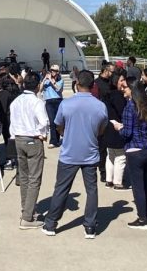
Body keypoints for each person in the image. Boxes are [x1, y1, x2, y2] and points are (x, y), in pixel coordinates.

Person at [43, 70, 109, 239]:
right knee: (92, 190)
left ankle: (51, 223)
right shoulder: (100, 106)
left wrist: (66, 132)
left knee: (61, 189)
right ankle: (90, 226)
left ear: (77, 84)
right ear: (93, 85)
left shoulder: (66, 104)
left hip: (69, 153)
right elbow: (102, 129)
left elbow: (58, 125)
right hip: (90, 152)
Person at [9, 71, 50, 229]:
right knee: (34, 179)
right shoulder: (36, 101)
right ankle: (27, 217)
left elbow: (12, 121)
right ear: (38, 86)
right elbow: (44, 121)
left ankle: (26, 209)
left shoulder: (16, 101)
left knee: (24, 177)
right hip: (32, 139)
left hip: (18, 139)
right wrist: (42, 134)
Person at [118, 81, 147, 229]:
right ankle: (146, 214)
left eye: (125, 87)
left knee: (138, 187)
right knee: (146, 185)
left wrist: (119, 128)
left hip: (136, 149)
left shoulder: (130, 107)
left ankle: (142, 218)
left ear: (132, 90)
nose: (123, 89)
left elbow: (127, 133)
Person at [101, 72, 129, 189]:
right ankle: (118, 182)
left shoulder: (107, 95)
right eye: (121, 80)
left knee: (110, 155)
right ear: (115, 81)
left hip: (108, 127)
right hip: (117, 127)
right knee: (120, 157)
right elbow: (122, 112)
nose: (123, 83)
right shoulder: (118, 96)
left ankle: (109, 180)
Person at [41, 66, 64, 147]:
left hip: (58, 101)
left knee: (58, 121)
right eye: (51, 70)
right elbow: (40, 89)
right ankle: (53, 141)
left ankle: (58, 139)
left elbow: (58, 89)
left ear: (57, 72)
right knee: (52, 121)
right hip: (49, 101)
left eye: (54, 71)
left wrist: (51, 80)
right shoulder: (46, 81)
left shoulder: (60, 80)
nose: (52, 72)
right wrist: (44, 79)